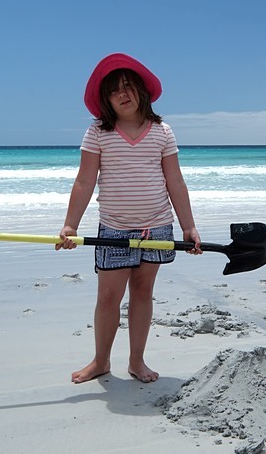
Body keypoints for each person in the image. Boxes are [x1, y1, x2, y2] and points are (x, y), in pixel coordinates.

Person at [56, 53, 202, 384]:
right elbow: (84, 181)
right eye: (113, 91)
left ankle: (137, 360)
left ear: (142, 90)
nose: (122, 94)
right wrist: (70, 225)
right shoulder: (98, 132)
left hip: (157, 226)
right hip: (114, 229)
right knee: (109, 296)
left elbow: (175, 181)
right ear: (105, 100)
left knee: (142, 290)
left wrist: (189, 226)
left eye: (127, 86)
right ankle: (101, 361)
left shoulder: (162, 131)